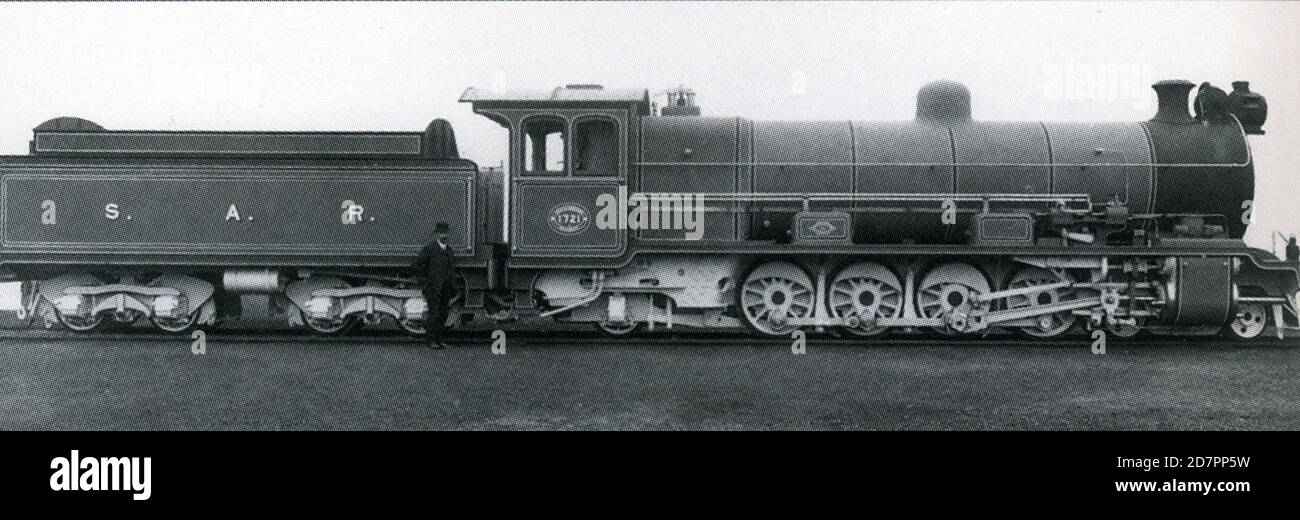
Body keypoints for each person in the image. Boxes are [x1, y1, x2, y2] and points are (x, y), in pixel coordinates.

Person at [411, 222, 455, 349]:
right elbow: (416, 266)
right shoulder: (429, 249)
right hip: (433, 288)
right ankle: (431, 341)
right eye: (441, 232)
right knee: (433, 314)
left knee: (443, 315)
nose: (444, 235)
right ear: (436, 234)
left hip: (445, 288)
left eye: (445, 232)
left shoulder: (449, 250)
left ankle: (439, 340)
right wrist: (425, 281)